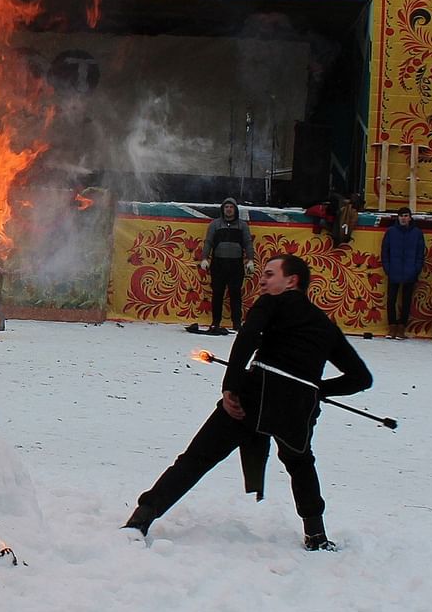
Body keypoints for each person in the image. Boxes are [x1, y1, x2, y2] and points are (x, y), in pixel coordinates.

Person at [124, 253, 373, 552]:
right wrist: (314, 390)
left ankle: (141, 518)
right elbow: (360, 378)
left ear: (291, 280)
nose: (263, 280)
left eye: (270, 274)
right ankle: (316, 535)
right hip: (297, 410)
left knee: (197, 458)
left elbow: (248, 337)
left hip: (254, 396)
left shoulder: (271, 302)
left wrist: (230, 386)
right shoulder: (325, 326)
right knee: (301, 464)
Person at [193, 198, 254, 335]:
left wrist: (250, 260)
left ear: (235, 209)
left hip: (236, 264)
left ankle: (237, 324)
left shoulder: (242, 225)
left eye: (231, 207)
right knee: (217, 294)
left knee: (235, 294)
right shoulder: (214, 225)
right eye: (226, 207)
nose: (228, 209)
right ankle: (215, 322)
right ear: (222, 209)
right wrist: (204, 258)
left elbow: (248, 243)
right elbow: (208, 242)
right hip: (218, 264)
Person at [378, 207, 424, 340]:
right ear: (398, 217)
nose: (403, 218)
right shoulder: (391, 232)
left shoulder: (417, 233)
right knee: (391, 300)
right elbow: (385, 252)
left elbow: (420, 254)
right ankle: (392, 327)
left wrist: (416, 269)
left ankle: (401, 328)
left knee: (406, 301)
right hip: (394, 271)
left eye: (405, 215)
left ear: (410, 217)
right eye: (401, 216)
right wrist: (388, 268)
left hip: (410, 272)